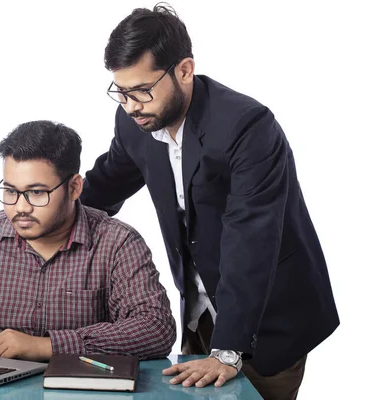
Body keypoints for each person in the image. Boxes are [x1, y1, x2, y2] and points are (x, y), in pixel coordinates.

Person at [79, 4, 339, 399]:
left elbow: (251, 237)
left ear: (184, 70)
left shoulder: (248, 127)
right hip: (198, 315)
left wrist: (229, 350)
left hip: (269, 321)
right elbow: (107, 183)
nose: (130, 105)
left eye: (142, 90)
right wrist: (42, 211)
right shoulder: (135, 121)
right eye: (121, 92)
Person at [0, 120, 176, 362]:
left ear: (74, 187)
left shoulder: (118, 243)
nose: (21, 207)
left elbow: (156, 329)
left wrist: (47, 346)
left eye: (37, 192)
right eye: (10, 191)